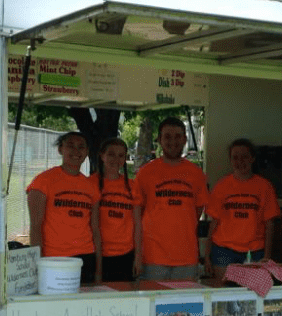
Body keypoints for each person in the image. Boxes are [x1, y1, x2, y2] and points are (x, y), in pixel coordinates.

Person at [134, 117, 208, 281]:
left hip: (186, 257)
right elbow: (138, 216)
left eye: (177, 136)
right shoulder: (145, 173)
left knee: (186, 306)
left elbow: (196, 211)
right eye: (167, 136)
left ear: (185, 139)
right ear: (159, 140)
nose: (173, 141)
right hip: (153, 257)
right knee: (154, 306)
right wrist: (138, 255)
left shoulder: (196, 174)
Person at [27, 131, 102, 284]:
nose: (76, 151)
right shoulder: (43, 181)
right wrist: (38, 263)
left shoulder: (91, 186)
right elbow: (35, 226)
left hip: (85, 257)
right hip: (53, 258)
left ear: (87, 152)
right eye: (70, 146)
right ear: (61, 149)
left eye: (81, 147)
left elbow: (95, 230)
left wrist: (98, 268)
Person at [204, 138, 281, 281]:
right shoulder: (222, 186)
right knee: (225, 293)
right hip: (223, 250)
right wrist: (207, 255)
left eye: (245, 157)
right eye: (235, 158)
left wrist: (267, 256)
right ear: (230, 160)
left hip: (254, 251)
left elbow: (270, 224)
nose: (240, 162)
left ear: (252, 158)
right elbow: (213, 222)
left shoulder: (265, 187)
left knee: (252, 293)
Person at [95, 137, 142, 281]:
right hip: (97, 253)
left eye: (121, 155)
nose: (116, 159)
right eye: (111, 154)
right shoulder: (90, 183)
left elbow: (138, 224)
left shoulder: (132, 186)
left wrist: (138, 256)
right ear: (102, 155)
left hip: (125, 254)